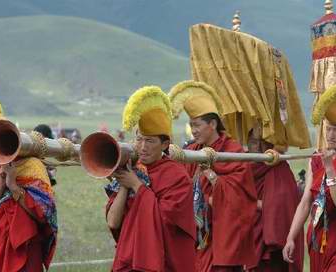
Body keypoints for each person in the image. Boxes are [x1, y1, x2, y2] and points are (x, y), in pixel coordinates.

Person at [0, 84, 57, 271]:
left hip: (26, 255)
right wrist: (0, 188)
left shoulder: (32, 166)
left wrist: (14, 188)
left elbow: (45, 216)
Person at [168, 80, 257, 272]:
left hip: (222, 236)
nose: (194, 130)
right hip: (196, 234)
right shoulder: (191, 152)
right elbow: (178, 184)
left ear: (213, 124)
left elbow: (241, 198)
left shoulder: (233, 152)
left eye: (197, 125)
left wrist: (209, 174)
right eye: (191, 125)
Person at [105, 86, 196, 271]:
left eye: (150, 141)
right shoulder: (135, 170)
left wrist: (136, 185)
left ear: (164, 144)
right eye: (139, 139)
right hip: (130, 258)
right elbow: (113, 222)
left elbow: (167, 220)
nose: (143, 147)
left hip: (163, 262)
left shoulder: (177, 176)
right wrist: (125, 183)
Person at [283, 83, 336, 271]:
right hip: (317, 241)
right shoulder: (315, 160)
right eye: (328, 129)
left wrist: (329, 167)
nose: (330, 135)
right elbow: (306, 202)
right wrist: (291, 237)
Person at [246, 125, 303, 272]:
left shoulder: (280, 168)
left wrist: (248, 203)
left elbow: (283, 206)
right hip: (246, 235)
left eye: (262, 142)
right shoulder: (242, 166)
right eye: (253, 141)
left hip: (271, 248)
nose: (258, 147)